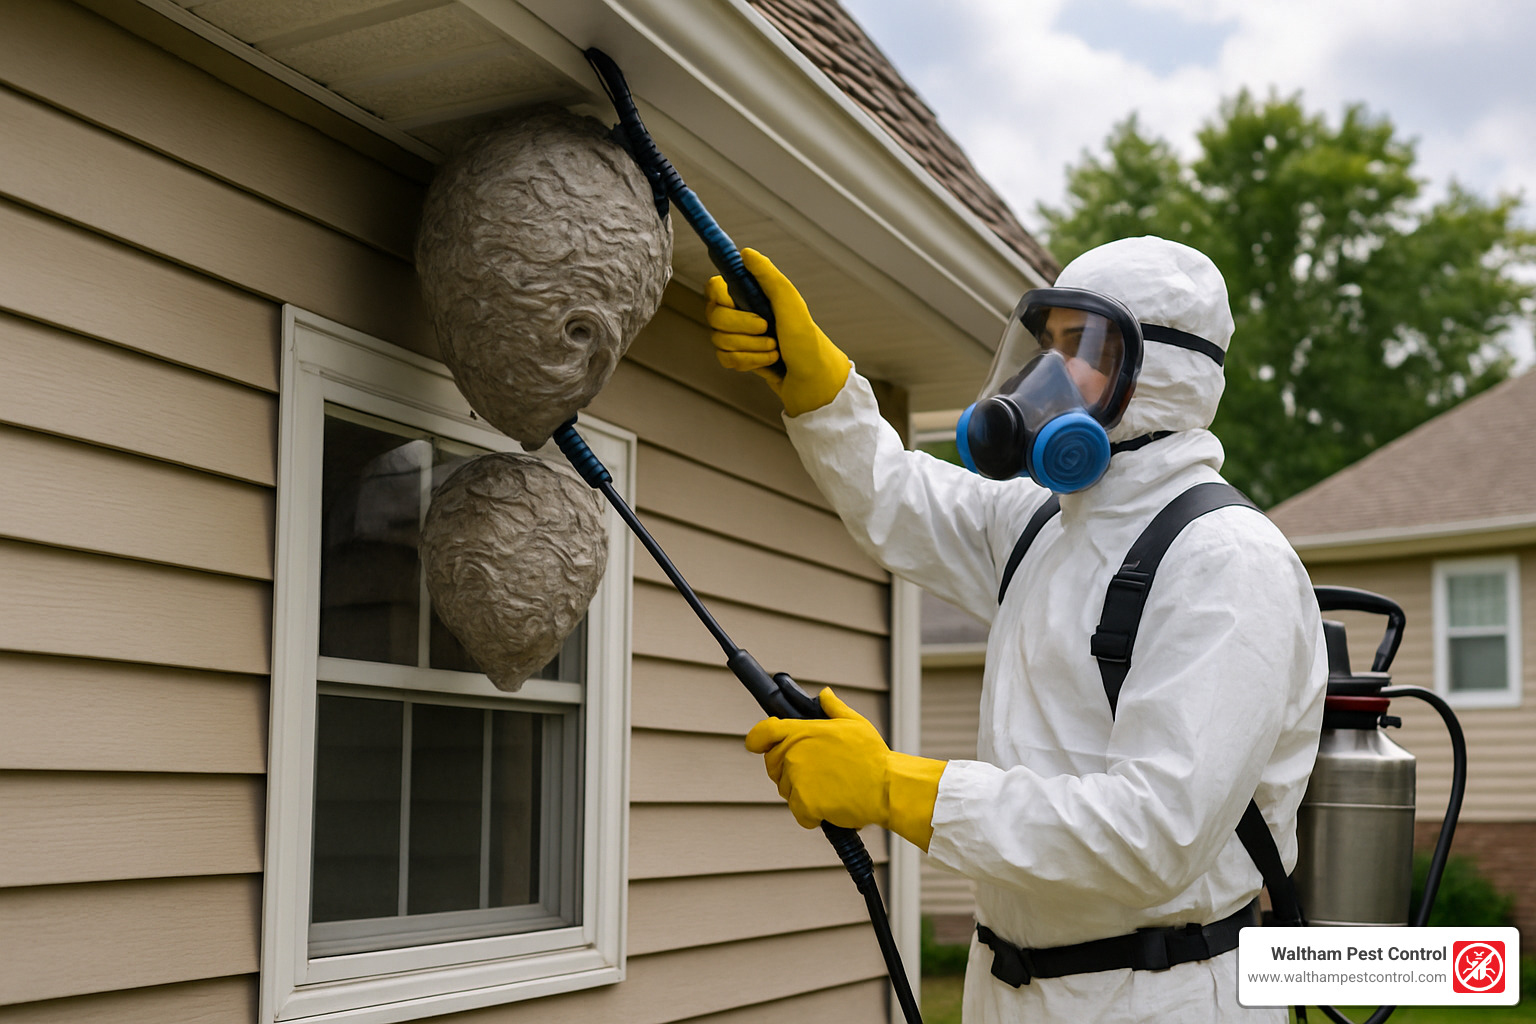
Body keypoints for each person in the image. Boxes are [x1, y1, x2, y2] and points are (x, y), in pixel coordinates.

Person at [705, 236, 1327, 1023]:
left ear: (1161, 372)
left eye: (1082, 348)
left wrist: (898, 788)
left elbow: (1155, 835)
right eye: (1048, 346)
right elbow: (897, 496)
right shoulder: (1046, 525)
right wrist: (819, 387)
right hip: (1005, 986)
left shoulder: (1227, 560)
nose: (1047, 378)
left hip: (1161, 995)